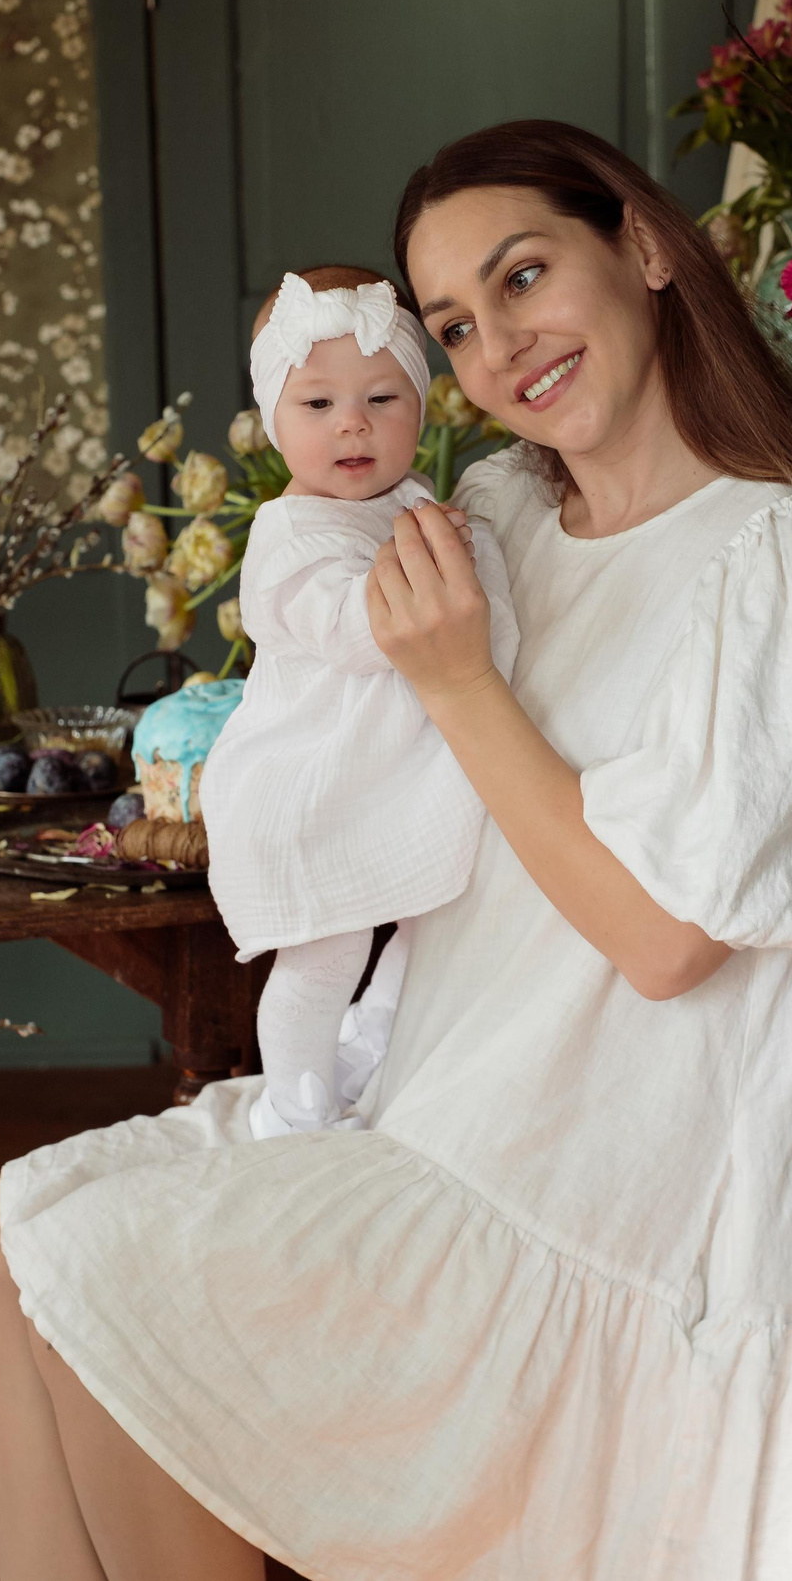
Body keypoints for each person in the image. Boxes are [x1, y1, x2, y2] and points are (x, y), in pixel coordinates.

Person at [0, 119, 792, 1580]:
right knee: (6, 1228)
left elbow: (669, 943)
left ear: (649, 245)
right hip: (444, 1111)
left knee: (107, 1279)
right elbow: (323, 653)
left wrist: (461, 682)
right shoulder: (498, 516)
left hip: (619, 1205)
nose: (501, 349)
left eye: (526, 274)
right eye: (457, 325)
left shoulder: (789, 563)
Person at [201, 263, 519, 1137]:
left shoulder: (409, 499)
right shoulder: (290, 536)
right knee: (323, 952)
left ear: (421, 406)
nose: (353, 423)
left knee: (441, 914)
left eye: (383, 398)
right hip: (314, 776)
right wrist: (422, 559)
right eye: (318, 406)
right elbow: (354, 630)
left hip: (394, 767)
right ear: (273, 420)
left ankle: (370, 1041)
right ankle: (291, 1106)